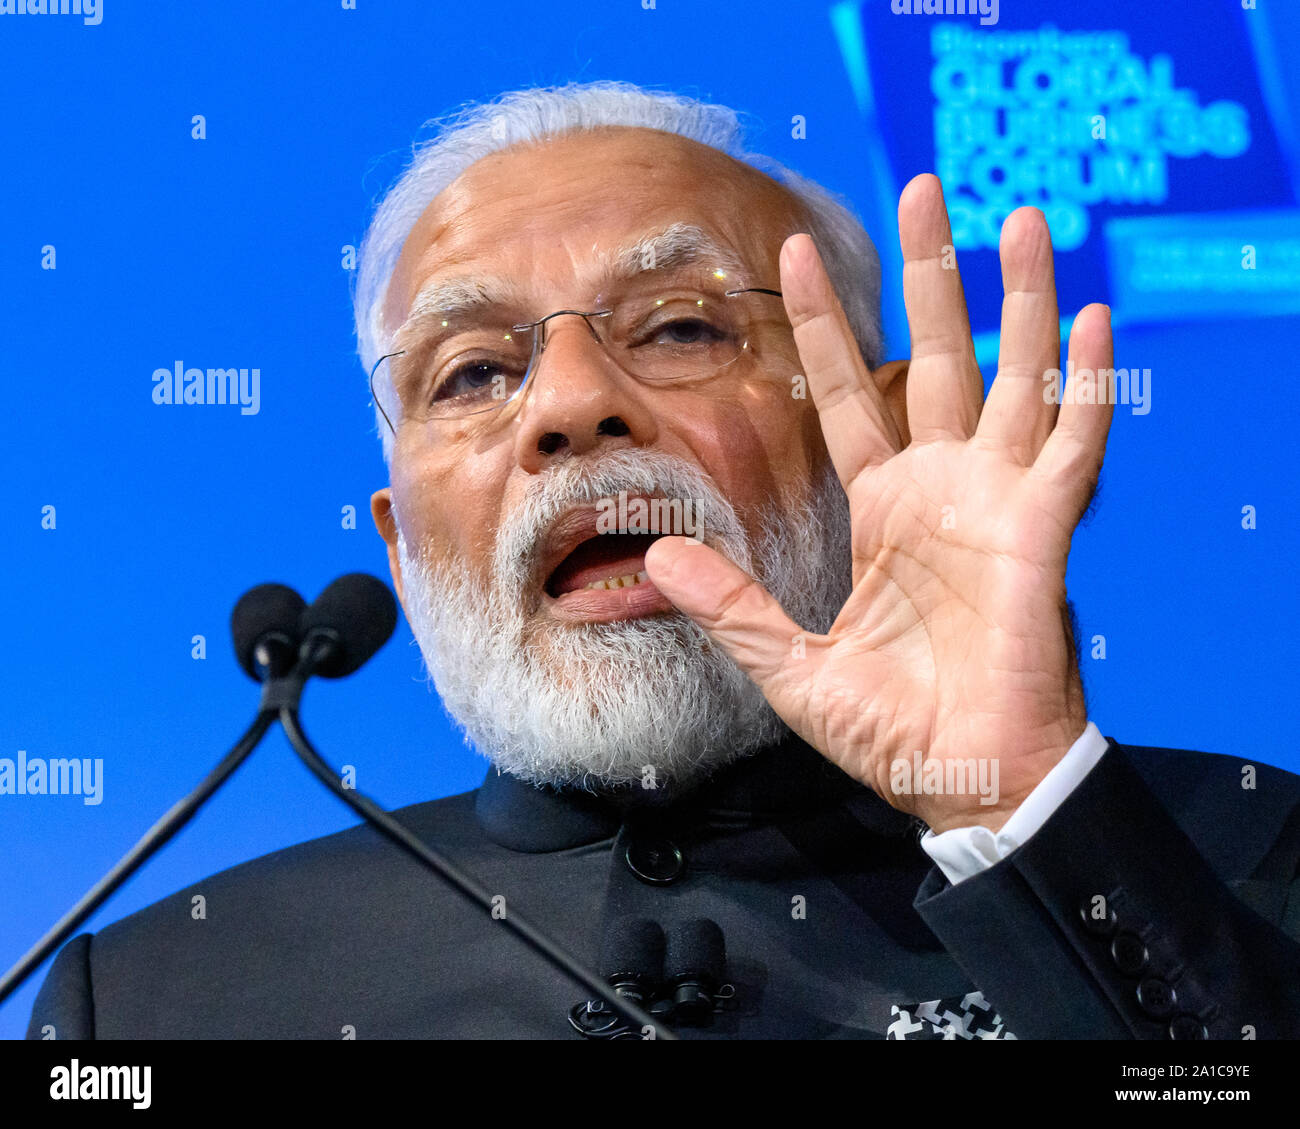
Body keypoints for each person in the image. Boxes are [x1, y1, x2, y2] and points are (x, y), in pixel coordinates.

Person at [28, 81, 1300, 1040]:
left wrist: (1020, 808)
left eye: (682, 326)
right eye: (472, 371)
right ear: (403, 553)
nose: (569, 407)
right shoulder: (156, 1001)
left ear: (890, 432)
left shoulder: (1243, 847)